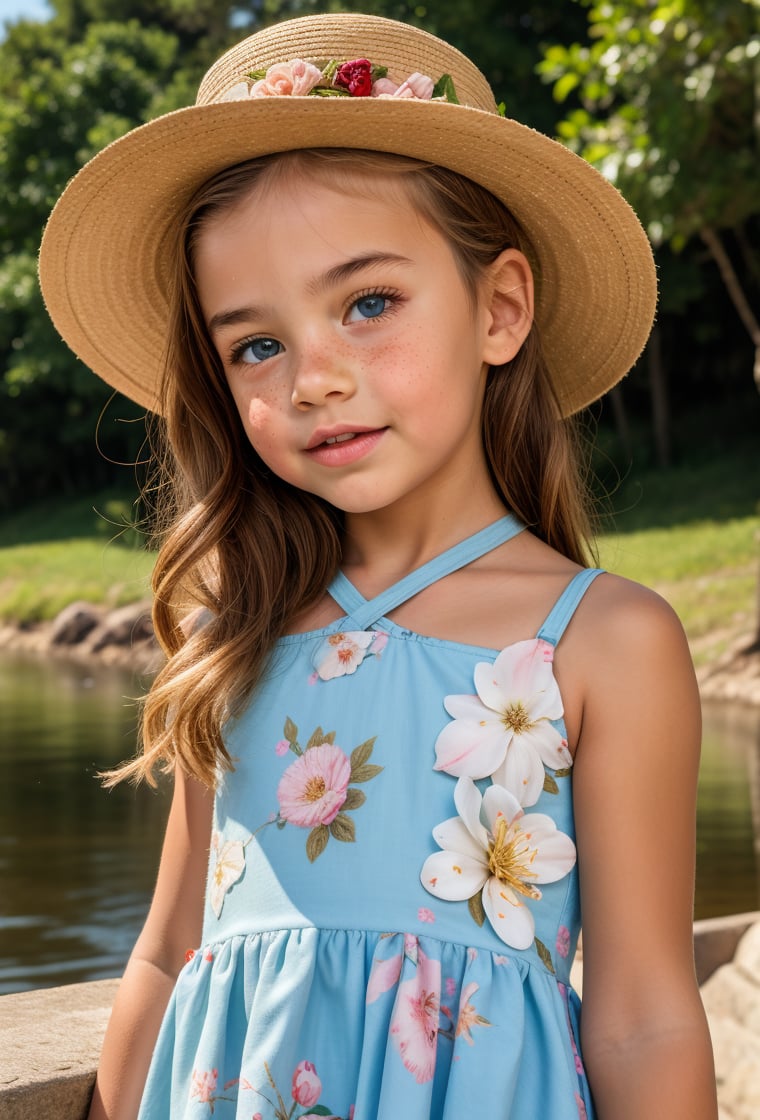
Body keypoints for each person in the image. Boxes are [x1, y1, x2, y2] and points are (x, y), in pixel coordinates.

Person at [39, 12, 717, 1120]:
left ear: (498, 309)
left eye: (367, 303)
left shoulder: (600, 640)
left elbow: (643, 1011)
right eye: (256, 344)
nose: (313, 378)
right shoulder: (237, 634)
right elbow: (165, 955)